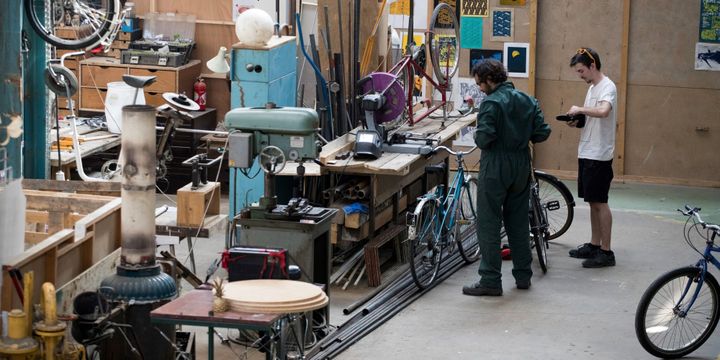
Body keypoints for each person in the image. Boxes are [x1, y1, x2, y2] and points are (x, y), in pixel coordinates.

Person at [463, 59, 551, 296]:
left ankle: (490, 280)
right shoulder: (528, 100)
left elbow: (484, 139)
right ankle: (523, 276)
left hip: (496, 165)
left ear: (490, 80)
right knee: (519, 221)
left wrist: (481, 132)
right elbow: (542, 132)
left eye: (480, 83)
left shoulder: (491, 104)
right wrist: (521, 135)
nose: (480, 88)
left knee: (489, 222)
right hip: (522, 164)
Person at [566, 47, 617, 268]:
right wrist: (576, 120)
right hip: (587, 151)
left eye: (581, 71)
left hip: (599, 154)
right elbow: (593, 118)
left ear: (592, 65)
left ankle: (606, 252)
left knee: (600, 203)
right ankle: (595, 245)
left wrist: (581, 109)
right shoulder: (593, 87)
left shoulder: (608, 87)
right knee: (592, 202)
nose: (580, 75)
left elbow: (604, 111)